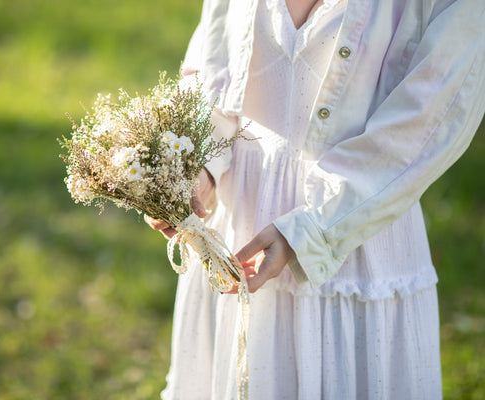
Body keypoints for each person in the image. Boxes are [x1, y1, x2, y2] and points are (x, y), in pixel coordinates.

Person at [145, 0, 485, 398]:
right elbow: (213, 67)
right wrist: (198, 167)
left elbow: (437, 110)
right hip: (236, 236)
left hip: (356, 238)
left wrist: (314, 228)